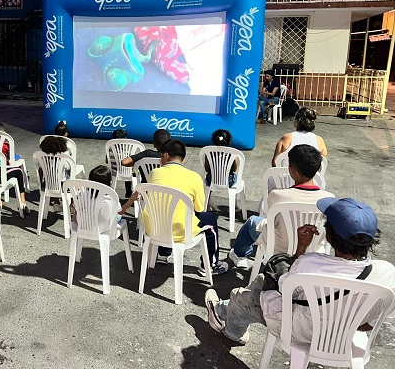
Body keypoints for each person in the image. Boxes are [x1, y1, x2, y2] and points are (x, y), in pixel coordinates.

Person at [205, 198, 395, 345]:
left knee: (241, 297)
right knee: (261, 280)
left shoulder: (310, 264)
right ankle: (224, 308)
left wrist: (300, 249)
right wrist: (343, 326)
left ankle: (230, 330)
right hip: (339, 338)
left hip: (299, 331)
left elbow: (285, 288)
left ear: (329, 235)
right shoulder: (388, 272)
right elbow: (380, 321)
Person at [126, 139, 228, 275]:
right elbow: (199, 209)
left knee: (164, 212)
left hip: (153, 228)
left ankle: (162, 254)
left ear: (166, 155)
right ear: (184, 158)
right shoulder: (194, 177)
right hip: (180, 231)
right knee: (209, 219)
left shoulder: (154, 173)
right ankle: (210, 265)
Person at [228, 144, 334, 268]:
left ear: (292, 169)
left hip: (278, 247)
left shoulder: (277, 195)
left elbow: (271, 220)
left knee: (252, 222)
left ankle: (239, 255)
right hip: (314, 249)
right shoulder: (329, 199)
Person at [86, 165, 135, 232]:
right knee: (118, 216)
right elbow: (120, 211)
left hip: (85, 226)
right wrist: (132, 199)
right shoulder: (111, 197)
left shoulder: (84, 193)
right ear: (109, 183)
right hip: (104, 228)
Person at [106, 128, 133, 198]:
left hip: (113, 172)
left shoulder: (109, 148)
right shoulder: (128, 148)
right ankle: (128, 191)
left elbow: (107, 161)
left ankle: (110, 192)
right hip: (126, 171)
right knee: (131, 169)